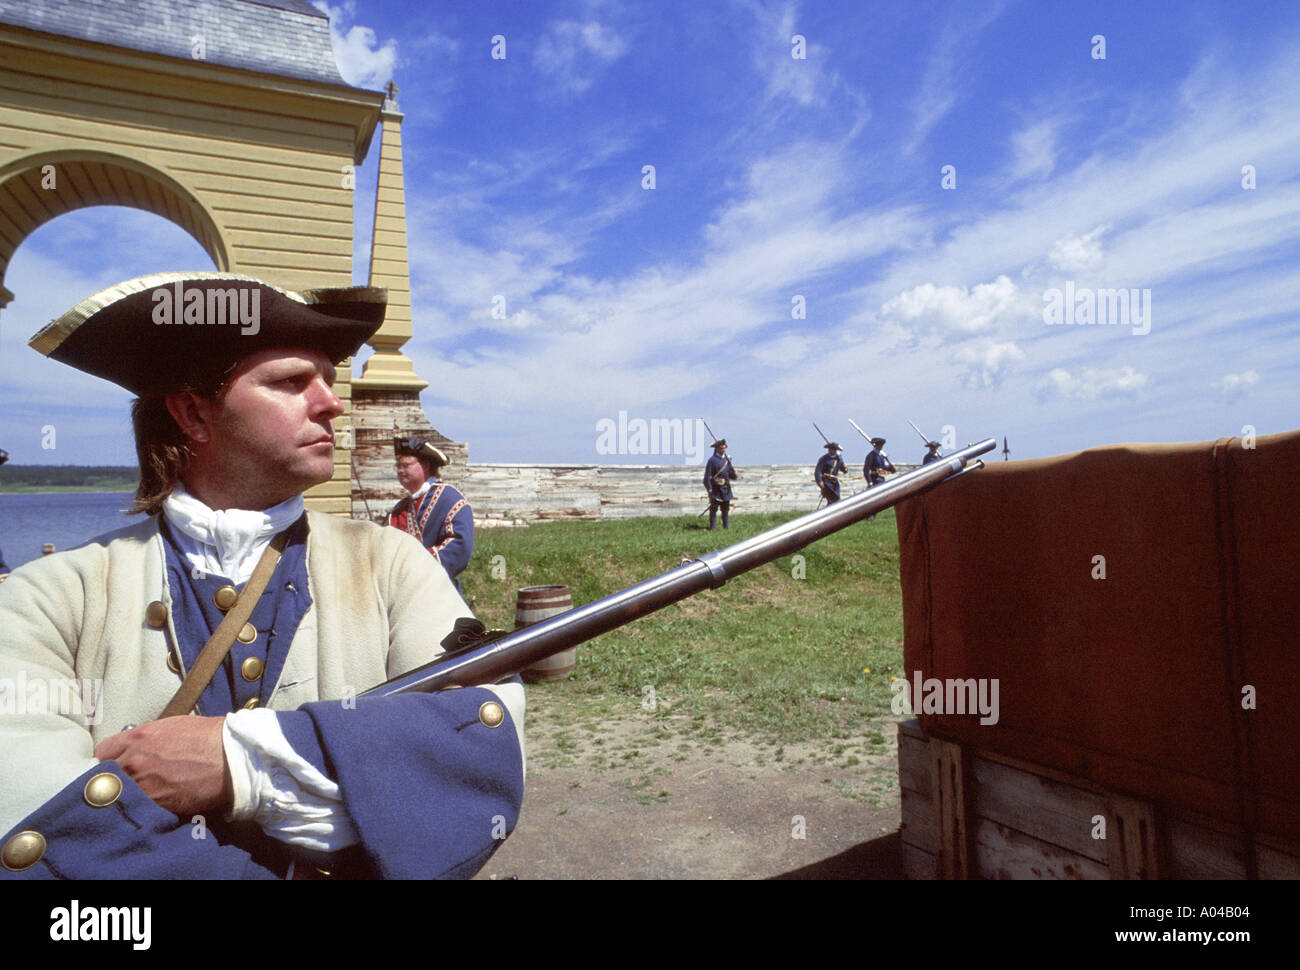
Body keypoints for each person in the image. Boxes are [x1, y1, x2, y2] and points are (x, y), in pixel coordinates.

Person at [0, 273, 524, 880]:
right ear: (193, 414)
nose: (330, 401)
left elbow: (479, 744)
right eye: (290, 382)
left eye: (328, 379)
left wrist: (238, 762)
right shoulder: (51, 598)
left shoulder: (395, 566)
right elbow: (38, 824)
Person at [390, 436, 474, 591]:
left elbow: (459, 548)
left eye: (406, 465)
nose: (400, 470)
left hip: (441, 593)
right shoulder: (397, 511)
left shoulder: (450, 500)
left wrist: (415, 566)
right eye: (398, 465)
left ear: (426, 465)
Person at [703, 438, 737, 530]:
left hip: (726, 489)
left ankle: (726, 527)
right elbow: (707, 477)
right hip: (716, 489)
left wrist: (734, 474)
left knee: (725, 510)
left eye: (724, 448)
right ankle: (712, 527)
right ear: (717, 449)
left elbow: (731, 475)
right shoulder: (712, 460)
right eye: (721, 448)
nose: (723, 449)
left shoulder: (727, 460)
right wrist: (710, 489)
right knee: (713, 510)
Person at [863, 436, 895, 521]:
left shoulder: (881, 455)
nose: (880, 446)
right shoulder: (871, 455)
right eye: (879, 444)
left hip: (881, 479)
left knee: (879, 499)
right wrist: (869, 481)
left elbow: (884, 467)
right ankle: (870, 516)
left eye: (881, 445)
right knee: (873, 499)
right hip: (874, 479)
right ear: (875, 445)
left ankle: (873, 515)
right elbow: (866, 470)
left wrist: (891, 468)